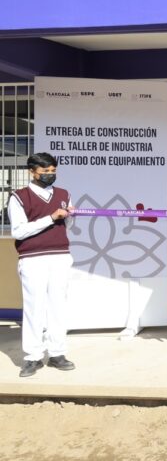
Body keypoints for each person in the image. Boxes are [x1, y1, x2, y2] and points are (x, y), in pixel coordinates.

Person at [8, 153, 75, 377]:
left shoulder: (64, 194)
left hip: (60, 256)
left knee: (58, 306)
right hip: (32, 258)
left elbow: (67, 223)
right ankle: (33, 357)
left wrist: (69, 215)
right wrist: (51, 218)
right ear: (32, 171)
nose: (49, 175)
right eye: (45, 172)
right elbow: (18, 231)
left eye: (53, 171)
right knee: (34, 308)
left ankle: (57, 353)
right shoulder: (19, 197)